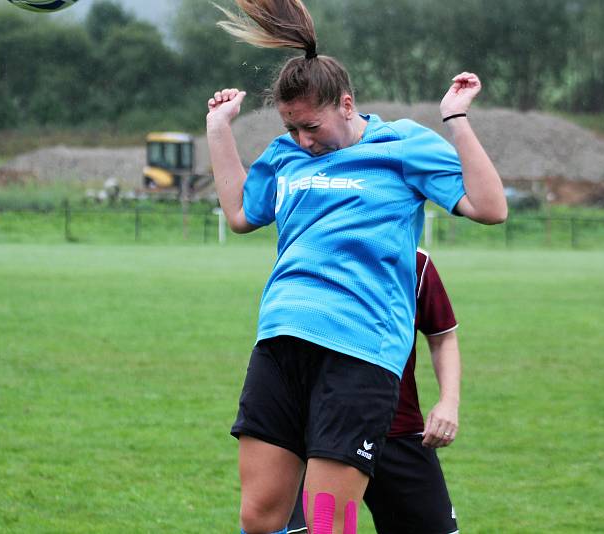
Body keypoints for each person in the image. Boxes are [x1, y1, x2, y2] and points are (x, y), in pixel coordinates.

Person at [206, 2, 506, 532]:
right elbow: (240, 215)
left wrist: (456, 121)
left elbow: (490, 208)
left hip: (360, 353)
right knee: (261, 518)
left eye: (312, 126)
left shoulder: (403, 144)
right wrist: (218, 130)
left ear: (346, 104)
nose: (303, 139)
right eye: (291, 127)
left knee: (327, 523)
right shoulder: (284, 155)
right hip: (280, 339)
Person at [287, 249, 461, 534]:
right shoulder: (309, 250)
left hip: (397, 431)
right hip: (319, 437)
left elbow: (443, 338)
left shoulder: (415, 261)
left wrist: (449, 402)